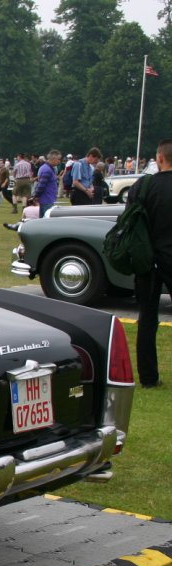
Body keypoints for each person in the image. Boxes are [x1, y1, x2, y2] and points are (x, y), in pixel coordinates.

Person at [130, 138, 172, 388]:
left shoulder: (142, 186)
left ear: (159, 158)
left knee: (147, 318)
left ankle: (148, 376)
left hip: (147, 258)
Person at [31, 150, 61, 217]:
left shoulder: (49, 168)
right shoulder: (47, 170)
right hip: (46, 200)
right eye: (58, 159)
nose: (59, 161)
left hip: (48, 199)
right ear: (53, 159)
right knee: (47, 222)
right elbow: (41, 185)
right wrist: (36, 196)